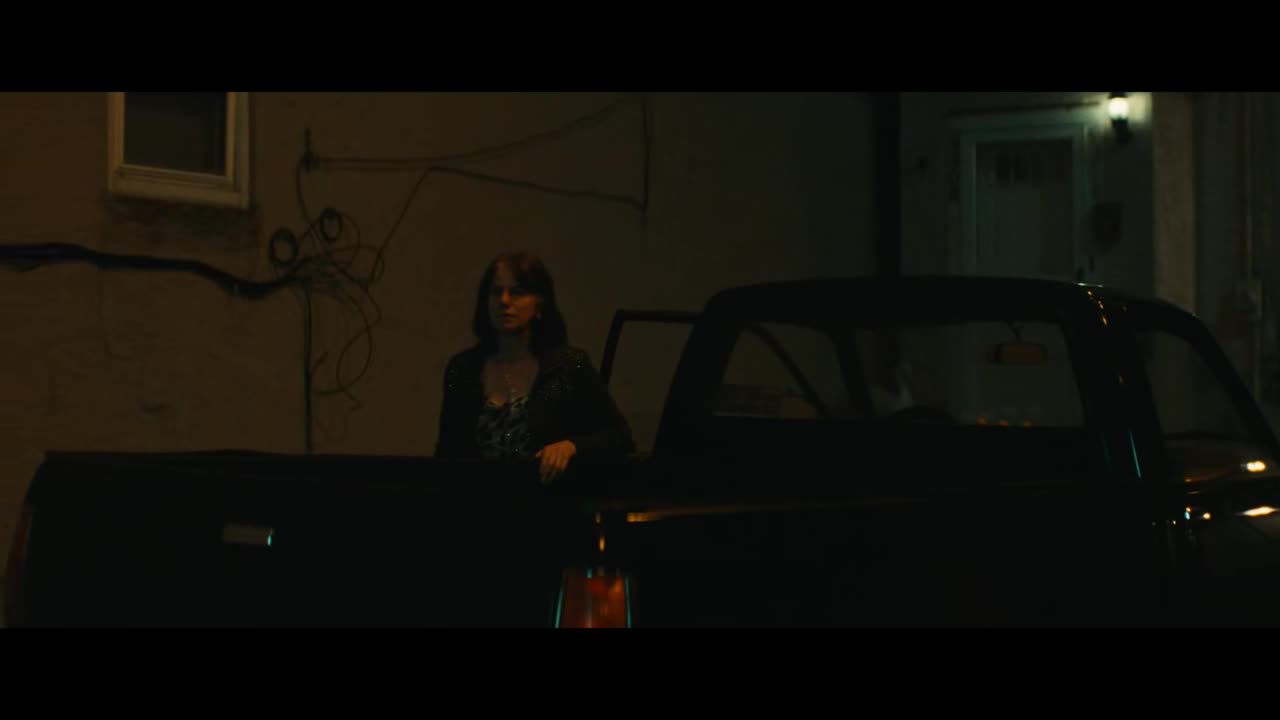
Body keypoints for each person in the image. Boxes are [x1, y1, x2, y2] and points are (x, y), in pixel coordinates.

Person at [435, 251, 634, 482]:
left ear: (539, 303)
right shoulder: (464, 369)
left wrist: (571, 446)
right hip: (480, 496)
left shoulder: (567, 367)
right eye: (496, 292)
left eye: (517, 292)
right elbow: (447, 454)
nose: (504, 301)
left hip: (547, 496)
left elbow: (618, 436)